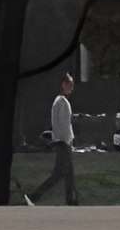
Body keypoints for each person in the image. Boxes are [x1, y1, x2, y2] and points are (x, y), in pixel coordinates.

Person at [21, 71, 79, 205]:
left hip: (63, 142)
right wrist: (65, 140)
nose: (71, 88)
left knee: (69, 175)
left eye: (72, 85)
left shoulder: (59, 101)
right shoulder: (62, 102)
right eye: (69, 85)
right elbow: (63, 125)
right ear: (63, 85)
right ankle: (34, 196)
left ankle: (71, 202)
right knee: (59, 174)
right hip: (63, 142)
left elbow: (60, 124)